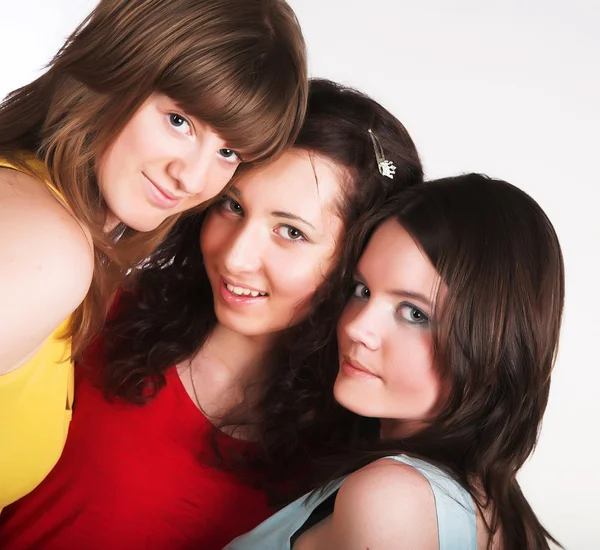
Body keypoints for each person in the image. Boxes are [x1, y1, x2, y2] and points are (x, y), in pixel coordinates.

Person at [0, 79, 423, 550]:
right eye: (232, 205)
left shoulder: (357, 460)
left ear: (357, 259)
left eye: (291, 232)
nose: (236, 256)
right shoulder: (92, 306)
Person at [0, 0, 308, 508]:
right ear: (117, 68)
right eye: (179, 121)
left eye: (228, 152)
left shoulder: (49, 220)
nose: (192, 177)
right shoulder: (48, 247)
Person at [225, 173, 565, 549]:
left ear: (493, 346)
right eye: (362, 290)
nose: (357, 327)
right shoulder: (492, 504)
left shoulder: (392, 500)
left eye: (415, 314)